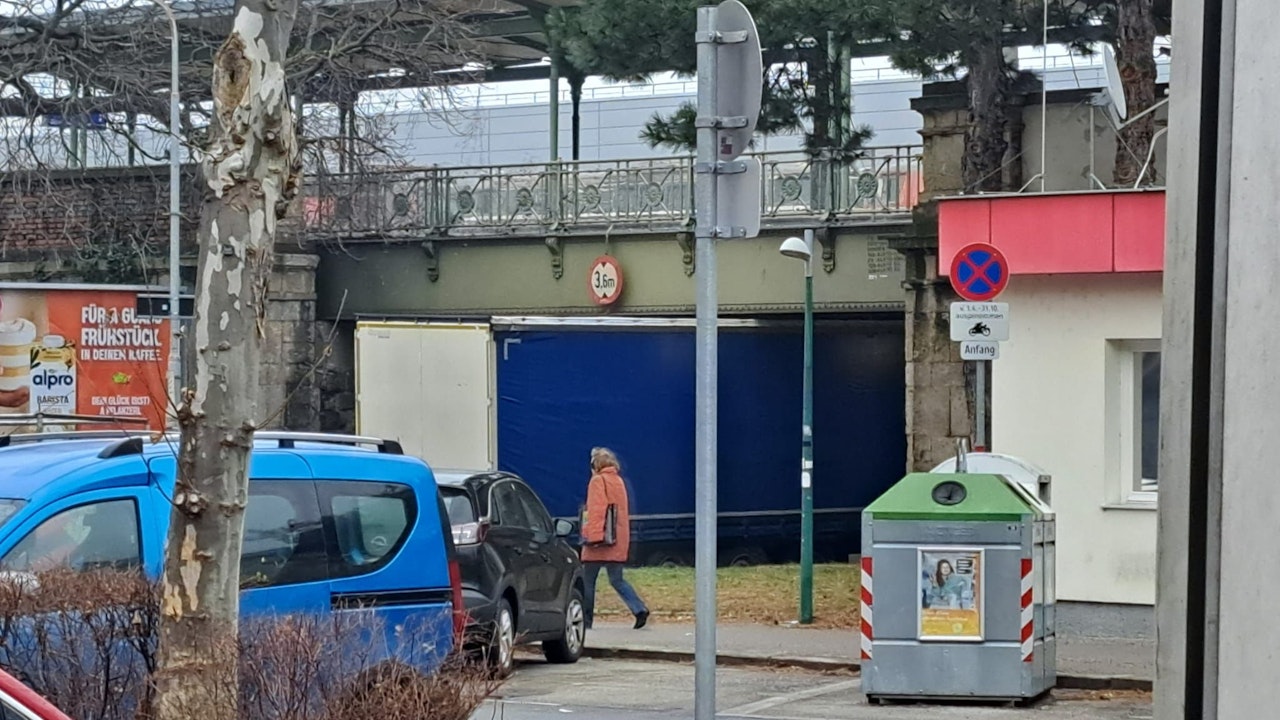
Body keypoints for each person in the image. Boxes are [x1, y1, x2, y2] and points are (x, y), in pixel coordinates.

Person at [580, 447, 649, 630]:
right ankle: (639, 608)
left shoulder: (597, 481)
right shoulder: (618, 481)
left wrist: (592, 537)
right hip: (617, 540)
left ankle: (586, 621)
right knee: (617, 579)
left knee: (588, 581)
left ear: (595, 464)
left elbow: (597, 510)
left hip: (599, 542)